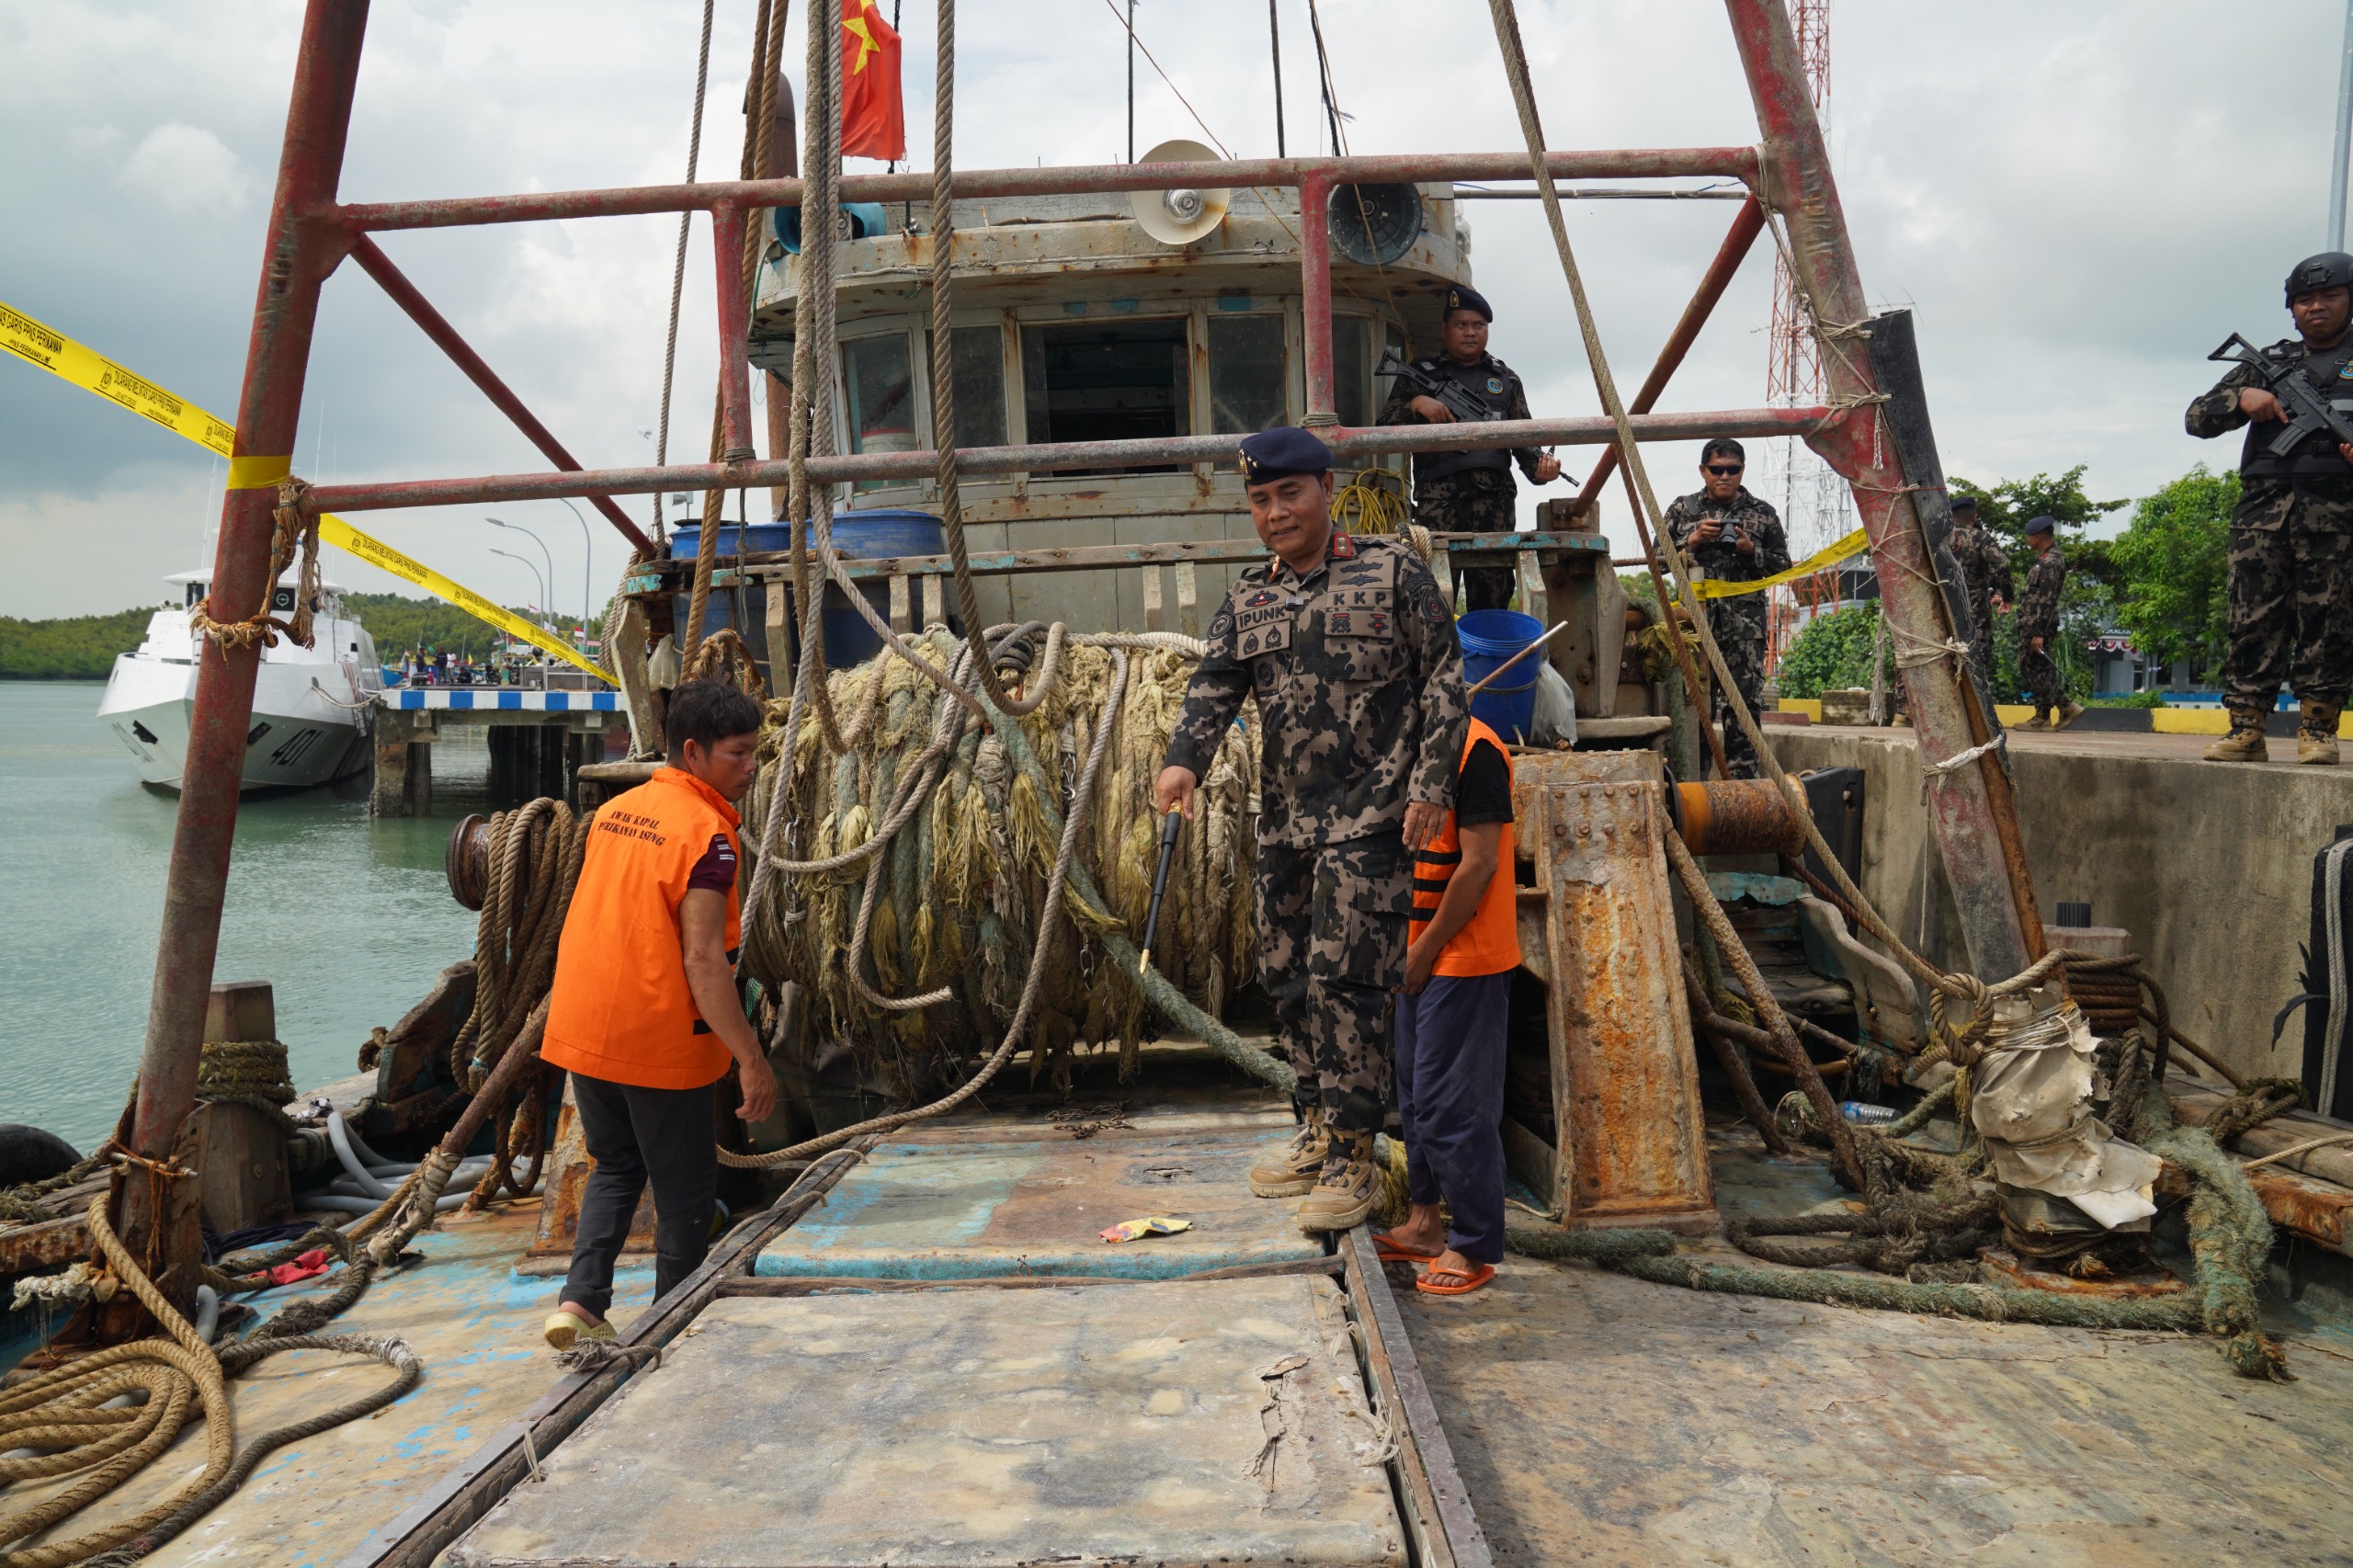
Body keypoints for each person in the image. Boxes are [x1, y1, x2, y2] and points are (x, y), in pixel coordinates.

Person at [1156, 426, 1471, 1233]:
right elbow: (1213, 686)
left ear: (1326, 489)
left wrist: (1432, 785)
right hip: (1287, 828)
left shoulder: (1392, 570)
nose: (1274, 512)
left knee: (1350, 985)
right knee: (1286, 977)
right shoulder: (1251, 597)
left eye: (1288, 494)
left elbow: (1443, 677)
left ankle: (1355, 1156)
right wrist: (1183, 762)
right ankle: (1315, 1126)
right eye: (1260, 500)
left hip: (1373, 820)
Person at [538, 679, 779, 1348]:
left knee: (615, 1165)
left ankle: (580, 1303)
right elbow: (703, 961)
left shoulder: (619, 812)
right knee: (685, 1190)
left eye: (756, 752)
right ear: (694, 752)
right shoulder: (710, 837)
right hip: (657, 1037)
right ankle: (672, 1323)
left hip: (586, 1027)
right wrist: (751, 1060)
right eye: (739, 754)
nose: (752, 767)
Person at [1370, 713, 1518, 1298]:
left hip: (1463, 954)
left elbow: (1479, 862)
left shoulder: (1477, 750)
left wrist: (1425, 949)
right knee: (1412, 1094)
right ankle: (1426, 1223)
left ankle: (1475, 1244)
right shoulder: (1402, 741)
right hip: (1415, 952)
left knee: (1452, 1104)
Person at [2186, 250, 2353, 765]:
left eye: (2329, 296)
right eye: (2305, 299)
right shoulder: (2268, 363)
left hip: (2338, 520)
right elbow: (2196, 417)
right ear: (2292, 307)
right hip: (2261, 518)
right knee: (2252, 620)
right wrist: (2241, 401)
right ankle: (2246, 729)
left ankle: (2318, 731)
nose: (2316, 306)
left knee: (2331, 622)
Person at [1378, 285, 1564, 613]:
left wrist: (1543, 469)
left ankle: (1489, 664)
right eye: (1461, 324)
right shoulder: (1420, 374)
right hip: (1438, 503)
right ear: (1445, 329)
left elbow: (1525, 444)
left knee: (1492, 607)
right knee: (1432, 601)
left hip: (1494, 506)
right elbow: (1382, 429)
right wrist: (1416, 404)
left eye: (1478, 326)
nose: (1470, 332)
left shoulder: (1506, 380)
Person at [1665, 439, 1790, 777]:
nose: (1725, 476)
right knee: (1696, 710)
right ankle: (1694, 792)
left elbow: (1784, 569)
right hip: (1694, 629)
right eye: (1717, 470)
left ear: (1742, 471)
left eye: (1732, 470)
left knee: (1744, 712)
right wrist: (1691, 541)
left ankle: (1744, 795)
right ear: (1703, 471)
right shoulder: (1683, 510)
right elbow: (1655, 560)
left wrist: (1751, 551)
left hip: (1743, 633)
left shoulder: (1762, 514)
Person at [1946, 494, 2014, 700]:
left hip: (1942, 608)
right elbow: (2002, 564)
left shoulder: (1938, 539)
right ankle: (1978, 713)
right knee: (1976, 660)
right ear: (1974, 517)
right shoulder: (1979, 537)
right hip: (1975, 611)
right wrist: (2008, 597)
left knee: (1943, 659)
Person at [2014, 516, 2079, 731]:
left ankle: (2066, 705)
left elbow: (2047, 599)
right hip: (2032, 622)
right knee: (2036, 668)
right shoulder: (2046, 558)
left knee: (2033, 668)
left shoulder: (2052, 561)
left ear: (2037, 536)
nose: (2026, 540)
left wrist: (2038, 632)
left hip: (2038, 624)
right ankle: (2042, 716)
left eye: (2028, 537)